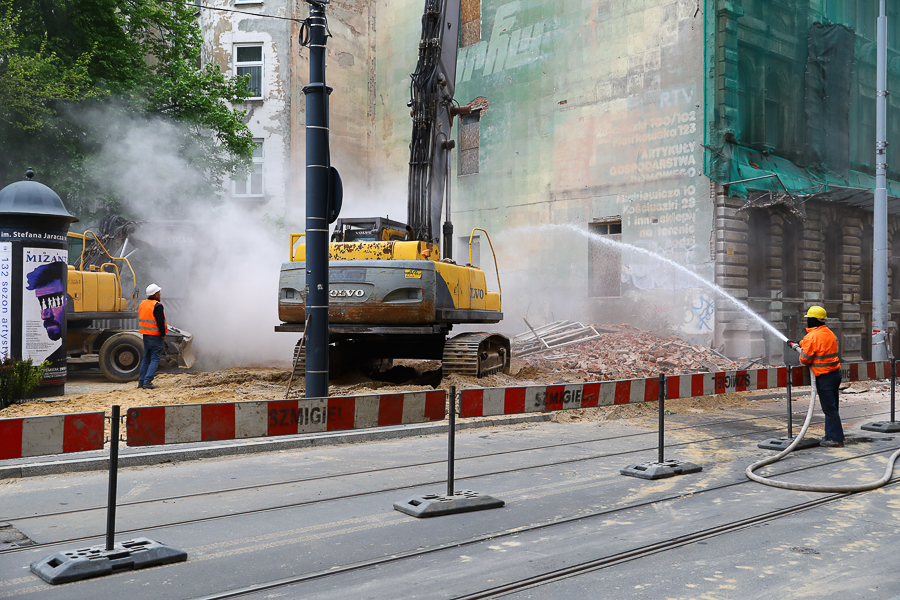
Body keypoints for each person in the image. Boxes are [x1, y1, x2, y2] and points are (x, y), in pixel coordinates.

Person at [789, 306, 844, 447]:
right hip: (835, 375)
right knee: (833, 408)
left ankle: (835, 439)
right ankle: (830, 435)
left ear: (812, 320)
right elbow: (816, 345)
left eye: (808, 319)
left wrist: (798, 349)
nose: (807, 321)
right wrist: (798, 344)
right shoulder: (829, 333)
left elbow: (804, 359)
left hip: (824, 377)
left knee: (829, 410)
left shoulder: (812, 337)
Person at [138, 283, 167, 390]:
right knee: (155, 359)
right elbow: (160, 322)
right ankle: (148, 381)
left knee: (146, 359)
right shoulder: (157, 306)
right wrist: (163, 334)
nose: (160, 294)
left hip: (146, 335)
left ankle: (141, 381)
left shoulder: (142, 304)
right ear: (155, 295)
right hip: (155, 336)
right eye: (158, 292)